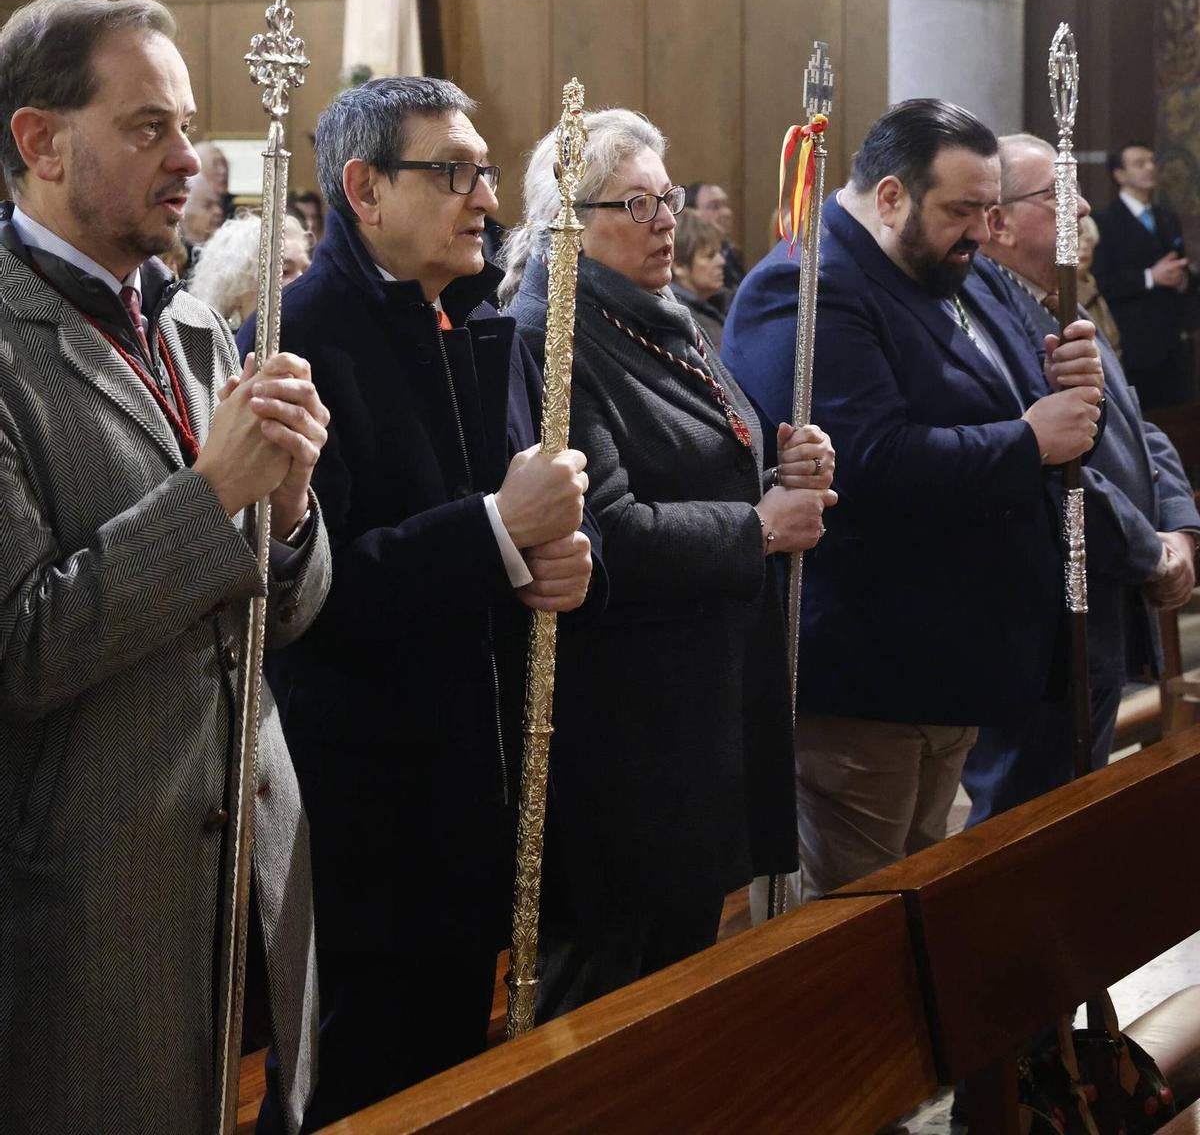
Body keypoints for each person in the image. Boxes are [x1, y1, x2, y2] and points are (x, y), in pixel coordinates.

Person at [0, 0, 332, 1135]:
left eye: (189, 125)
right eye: (149, 127)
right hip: (97, 893)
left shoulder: (197, 325)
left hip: (253, 860)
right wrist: (216, 494)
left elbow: (274, 613)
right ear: (40, 142)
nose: (193, 157)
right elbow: (21, 647)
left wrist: (288, 514)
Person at [241, 75, 598, 1129]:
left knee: (450, 1082)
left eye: (485, 172)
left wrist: (569, 566)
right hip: (370, 820)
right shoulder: (301, 340)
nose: (485, 197)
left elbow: (537, 526)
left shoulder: (478, 323)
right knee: (357, 1091)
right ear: (363, 187)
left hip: (471, 801)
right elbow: (313, 597)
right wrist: (495, 531)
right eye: (453, 172)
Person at [722, 99, 1104, 896]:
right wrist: (1032, 438)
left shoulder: (948, 271)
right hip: (864, 671)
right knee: (850, 919)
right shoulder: (808, 285)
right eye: (961, 210)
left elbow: (1026, 403)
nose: (980, 231)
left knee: (916, 901)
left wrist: (1067, 390)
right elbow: (868, 459)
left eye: (990, 210)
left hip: (948, 660)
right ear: (891, 196)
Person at [502, 108, 833, 1013]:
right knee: (610, 993)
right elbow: (607, 528)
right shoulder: (551, 334)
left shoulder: (663, 315)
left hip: (702, 709)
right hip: (629, 732)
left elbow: (711, 458)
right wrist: (757, 527)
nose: (664, 222)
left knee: (678, 984)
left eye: (667, 198)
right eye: (636, 203)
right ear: (568, 220)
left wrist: (779, 468)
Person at [957, 134, 1198, 818]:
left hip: (1103, 601)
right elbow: (1055, 471)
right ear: (997, 222)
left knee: (1073, 810)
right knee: (1026, 821)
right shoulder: (989, 322)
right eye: (1058, 196)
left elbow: (1137, 426)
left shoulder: (1063, 300)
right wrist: (1152, 552)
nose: (1086, 205)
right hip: (1044, 620)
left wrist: (1179, 527)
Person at [1092, 142, 1196, 407]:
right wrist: (1151, 277)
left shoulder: (1166, 217)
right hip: (1135, 343)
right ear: (1119, 175)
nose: (1150, 168)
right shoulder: (1106, 221)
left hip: (1173, 341)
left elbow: (1177, 265)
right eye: (1140, 163)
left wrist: (1182, 279)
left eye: (1152, 162)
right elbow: (1102, 282)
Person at [190, 210, 311, 328]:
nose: (303, 281)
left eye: (306, 271)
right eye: (284, 272)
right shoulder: (213, 346)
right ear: (234, 292)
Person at [670, 206, 728, 351]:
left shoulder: (717, 304)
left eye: (719, 253)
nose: (721, 261)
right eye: (710, 256)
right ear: (679, 266)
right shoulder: (680, 322)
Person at [684, 180, 746, 292]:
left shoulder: (731, 252)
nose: (726, 212)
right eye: (715, 206)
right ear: (692, 213)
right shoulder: (685, 253)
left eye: (726, 205)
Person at [1078, 213, 1121, 356]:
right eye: (1077, 237)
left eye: (1089, 240)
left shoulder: (1094, 287)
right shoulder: (1060, 293)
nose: (1084, 246)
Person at [196, 137, 235, 219]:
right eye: (215, 165)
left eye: (225, 164)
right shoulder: (184, 210)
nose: (223, 171)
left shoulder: (234, 209)